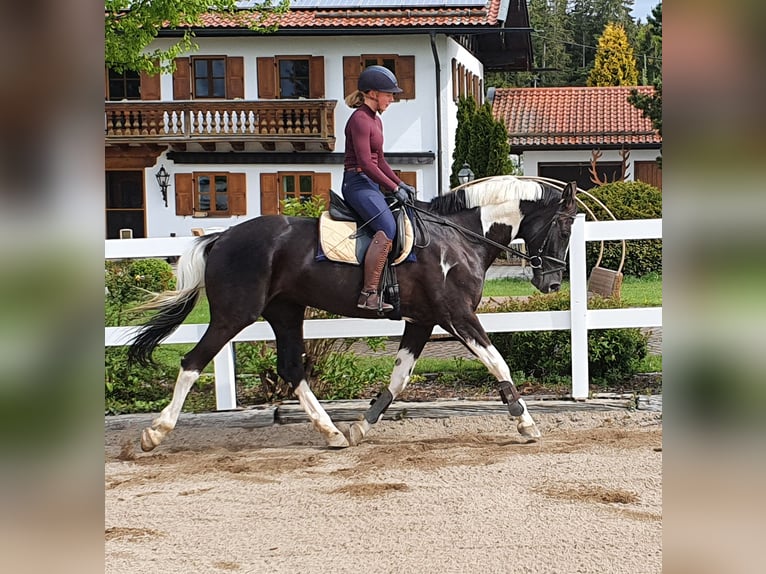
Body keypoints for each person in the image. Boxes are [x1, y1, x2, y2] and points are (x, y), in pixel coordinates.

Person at [342, 65, 417, 312]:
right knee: (387, 226)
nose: (392, 98)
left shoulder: (376, 121)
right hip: (357, 184)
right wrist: (394, 188)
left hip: (371, 183)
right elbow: (365, 163)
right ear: (372, 93)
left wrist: (399, 183)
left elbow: (380, 161)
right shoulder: (360, 120)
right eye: (389, 94)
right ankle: (368, 293)